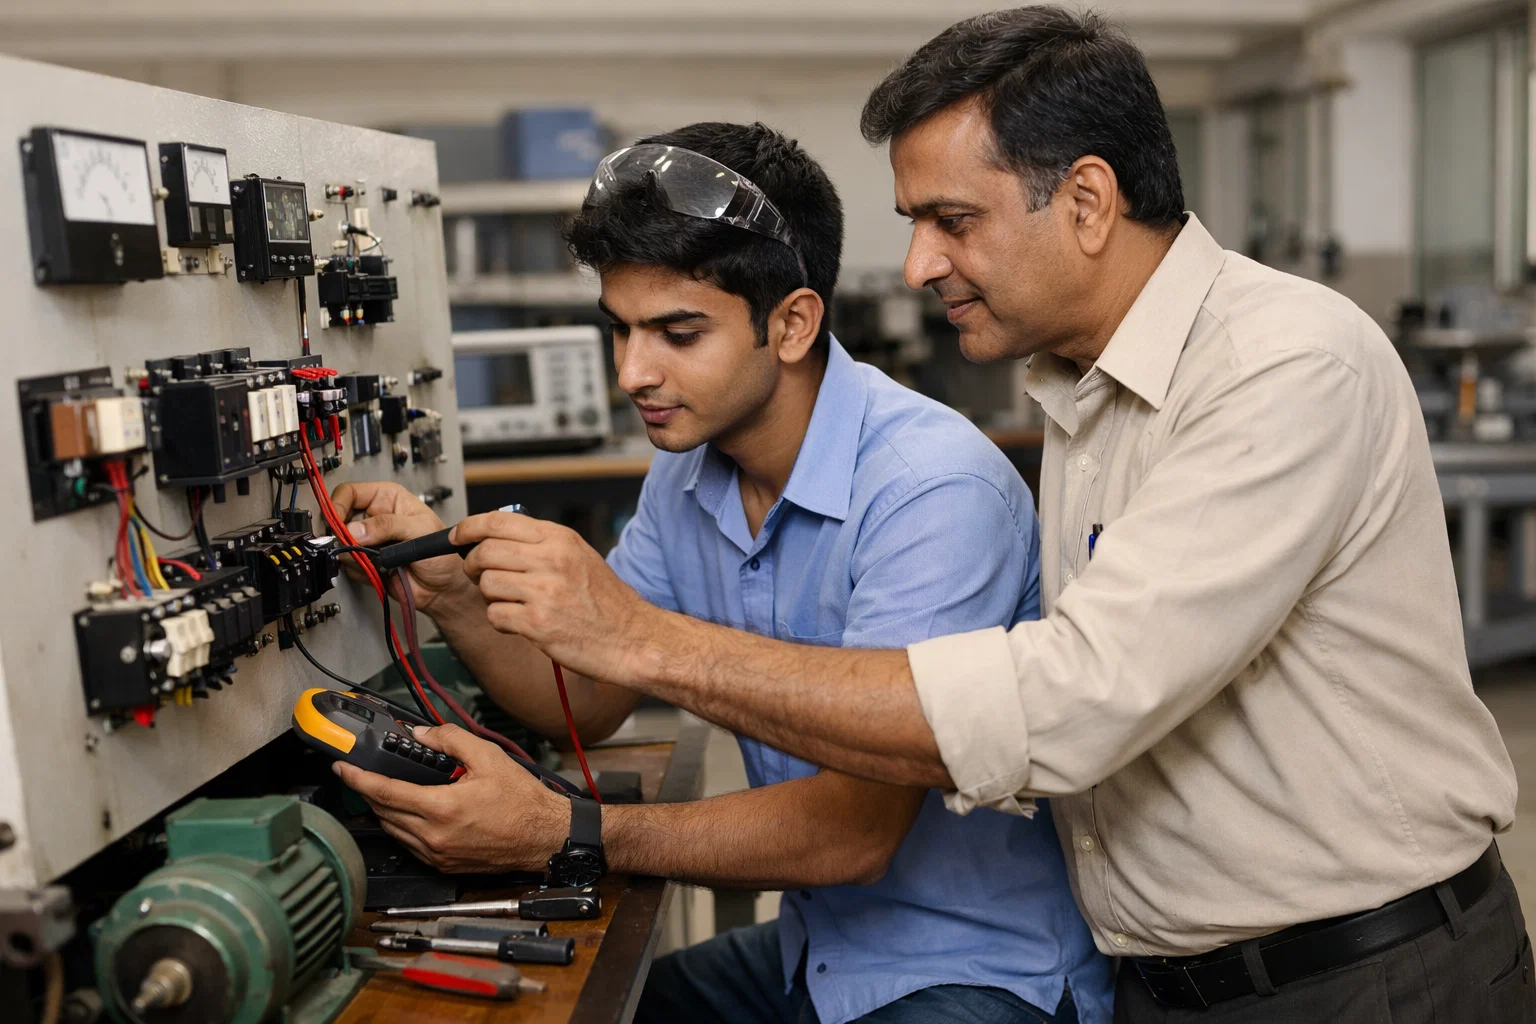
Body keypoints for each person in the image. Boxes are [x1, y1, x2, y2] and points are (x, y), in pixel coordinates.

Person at [418, 8, 1530, 1023]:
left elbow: (1072, 702)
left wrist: (634, 663)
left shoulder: (1280, 364)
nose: (918, 264)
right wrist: (468, 601)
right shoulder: (1086, 391)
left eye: (952, 220)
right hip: (1164, 975)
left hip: (1360, 977)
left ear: (1086, 202)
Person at [333, 121, 1112, 1024]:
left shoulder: (931, 489)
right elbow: (588, 701)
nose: (634, 372)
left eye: (677, 332)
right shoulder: (687, 472)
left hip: (972, 968)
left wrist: (565, 831)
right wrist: (456, 597)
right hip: (820, 946)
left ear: (791, 324)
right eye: (621, 330)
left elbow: (855, 835)